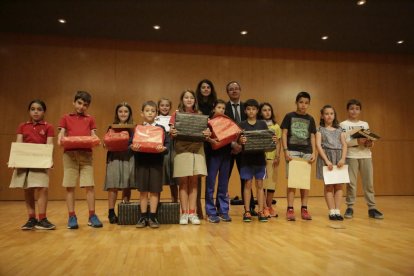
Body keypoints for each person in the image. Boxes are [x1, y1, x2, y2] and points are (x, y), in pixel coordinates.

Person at [57, 91, 103, 229]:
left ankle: (92, 215)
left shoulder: (90, 119)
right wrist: (60, 140)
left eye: (85, 105)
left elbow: (93, 135)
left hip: (86, 155)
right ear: (74, 102)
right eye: (79, 103)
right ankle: (72, 216)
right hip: (69, 156)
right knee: (70, 186)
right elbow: (61, 134)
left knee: (89, 186)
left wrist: (96, 140)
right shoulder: (65, 118)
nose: (82, 107)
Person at [9, 99, 56, 230]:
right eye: (33, 109)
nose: (36, 112)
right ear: (29, 111)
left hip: (40, 162)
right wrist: (14, 160)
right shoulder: (22, 126)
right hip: (25, 161)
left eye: (39, 109)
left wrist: (49, 160)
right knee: (28, 188)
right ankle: (31, 218)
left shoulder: (48, 127)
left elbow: (49, 144)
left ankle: (42, 218)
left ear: (44, 112)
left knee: (42, 188)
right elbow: (18, 144)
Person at [170, 90, 211, 225]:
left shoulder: (200, 115)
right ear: (182, 100)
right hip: (182, 150)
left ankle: (192, 213)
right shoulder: (176, 115)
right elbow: (171, 132)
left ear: (195, 100)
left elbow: (207, 132)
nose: (189, 99)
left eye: (191, 97)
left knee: (194, 182)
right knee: (183, 182)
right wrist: (172, 131)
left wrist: (207, 132)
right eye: (186, 97)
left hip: (197, 150)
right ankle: (184, 213)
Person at [340, 99, 384, 219]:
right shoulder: (343, 124)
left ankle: (372, 208)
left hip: (366, 155)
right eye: (352, 108)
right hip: (351, 156)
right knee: (351, 184)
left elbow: (369, 140)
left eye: (357, 109)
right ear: (347, 110)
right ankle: (350, 207)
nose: (354, 111)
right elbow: (343, 142)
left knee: (369, 183)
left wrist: (369, 143)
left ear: (360, 110)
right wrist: (356, 141)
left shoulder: (365, 124)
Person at [238, 99, 278, 222]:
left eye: (254, 109)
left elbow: (268, 141)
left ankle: (261, 211)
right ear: (245, 110)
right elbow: (237, 141)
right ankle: (247, 211)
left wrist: (274, 141)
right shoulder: (241, 124)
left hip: (260, 159)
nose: (251, 111)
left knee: (260, 185)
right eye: (249, 109)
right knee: (248, 184)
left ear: (257, 110)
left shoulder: (262, 124)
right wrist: (240, 141)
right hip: (246, 159)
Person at [131, 101, 168, 228]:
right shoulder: (137, 128)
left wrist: (164, 149)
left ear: (156, 114)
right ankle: (142, 217)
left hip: (156, 163)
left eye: (152, 111)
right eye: (147, 110)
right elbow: (132, 144)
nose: (150, 113)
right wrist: (133, 147)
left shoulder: (161, 129)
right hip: (141, 163)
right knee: (143, 191)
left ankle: (152, 217)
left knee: (154, 190)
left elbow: (167, 145)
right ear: (142, 113)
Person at [281, 91, 316, 221]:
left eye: (306, 103)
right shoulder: (289, 116)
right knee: (292, 182)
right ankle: (290, 209)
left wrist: (313, 152)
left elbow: (312, 136)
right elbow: (284, 134)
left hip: (306, 152)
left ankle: (304, 208)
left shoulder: (310, 119)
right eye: (301, 102)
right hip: (292, 152)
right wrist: (285, 150)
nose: (303, 105)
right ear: (296, 102)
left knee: (304, 183)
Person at [224, 81, 256, 215]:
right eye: (231, 89)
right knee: (224, 179)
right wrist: (232, 144)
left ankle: (250, 208)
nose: (234, 91)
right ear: (228, 92)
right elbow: (221, 129)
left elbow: (251, 127)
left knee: (246, 179)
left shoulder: (246, 107)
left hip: (244, 150)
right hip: (227, 149)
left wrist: (242, 145)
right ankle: (222, 208)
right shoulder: (223, 108)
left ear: (240, 90)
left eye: (236, 88)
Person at [103, 102, 135, 224]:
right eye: (120, 111)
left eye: (126, 111)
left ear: (129, 113)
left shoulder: (133, 127)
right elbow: (106, 143)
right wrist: (105, 144)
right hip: (114, 157)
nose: (123, 114)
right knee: (113, 184)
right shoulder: (112, 127)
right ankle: (111, 212)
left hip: (128, 156)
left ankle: (124, 210)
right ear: (117, 113)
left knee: (127, 183)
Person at [316, 105, 347, 220]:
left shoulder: (340, 129)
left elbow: (344, 144)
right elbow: (318, 145)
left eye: (331, 113)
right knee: (329, 186)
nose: (329, 116)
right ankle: (331, 211)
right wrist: (326, 160)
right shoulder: (319, 129)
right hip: (326, 158)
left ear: (334, 115)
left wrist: (343, 159)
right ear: (322, 116)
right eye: (327, 113)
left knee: (339, 186)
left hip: (339, 158)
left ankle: (338, 211)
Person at [205, 99, 232, 223]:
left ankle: (223, 210)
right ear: (213, 108)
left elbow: (233, 135)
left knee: (223, 183)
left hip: (226, 154)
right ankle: (210, 211)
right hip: (213, 155)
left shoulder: (228, 121)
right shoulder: (208, 122)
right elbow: (205, 137)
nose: (221, 110)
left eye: (223, 108)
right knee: (210, 183)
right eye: (219, 107)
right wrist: (211, 140)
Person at [195, 79, 218, 219]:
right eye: (203, 87)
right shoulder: (195, 105)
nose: (205, 89)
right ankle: (197, 207)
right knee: (197, 177)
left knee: (210, 177)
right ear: (199, 89)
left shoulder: (215, 105)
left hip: (211, 144)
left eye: (208, 87)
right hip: (198, 143)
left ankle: (210, 208)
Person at [258, 102, 281, 218]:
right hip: (261, 159)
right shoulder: (258, 125)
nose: (267, 112)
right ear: (260, 112)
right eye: (264, 110)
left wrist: (277, 156)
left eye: (269, 110)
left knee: (271, 185)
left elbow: (278, 142)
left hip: (273, 159)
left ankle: (269, 206)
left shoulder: (276, 126)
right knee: (262, 184)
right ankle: (264, 208)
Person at [155, 98, 178, 202]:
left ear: (170, 107)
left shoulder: (174, 118)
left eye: (167, 105)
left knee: (173, 176)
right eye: (162, 105)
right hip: (159, 147)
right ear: (158, 107)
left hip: (172, 147)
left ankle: (175, 202)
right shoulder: (155, 119)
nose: (164, 107)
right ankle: (157, 203)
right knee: (159, 176)